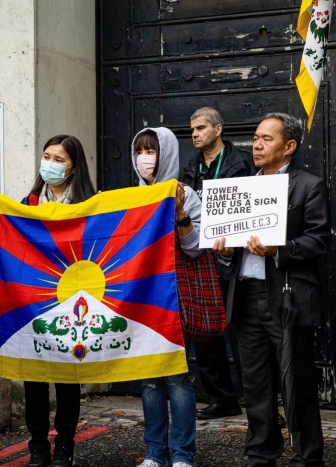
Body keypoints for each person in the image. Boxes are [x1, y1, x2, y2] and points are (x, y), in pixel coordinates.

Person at [215, 113, 330, 466]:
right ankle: (260, 452)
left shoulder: (307, 185)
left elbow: (319, 240)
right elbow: (229, 245)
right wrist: (225, 250)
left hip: (286, 297)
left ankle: (307, 457)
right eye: (255, 137)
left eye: (266, 138)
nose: (257, 145)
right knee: (255, 383)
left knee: (297, 382)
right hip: (245, 296)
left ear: (289, 146)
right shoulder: (241, 187)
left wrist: (278, 250)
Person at [0, 134, 96, 467]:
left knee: (67, 382)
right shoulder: (26, 204)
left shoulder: (91, 203)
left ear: (74, 167)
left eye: (59, 159)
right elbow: (9, 246)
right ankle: (38, 448)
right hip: (33, 305)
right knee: (34, 380)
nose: (51, 164)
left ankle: (65, 448)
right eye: (47, 156)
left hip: (74, 307)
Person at [131, 126, 200, 467]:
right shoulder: (129, 197)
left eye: (153, 150)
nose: (146, 158)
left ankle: (184, 455)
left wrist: (180, 214)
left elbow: (195, 248)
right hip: (141, 299)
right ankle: (155, 453)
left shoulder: (186, 194)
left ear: (167, 153)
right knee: (149, 380)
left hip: (174, 298)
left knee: (176, 378)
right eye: (141, 151)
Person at [180, 107, 253, 419]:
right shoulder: (190, 167)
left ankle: (258, 401)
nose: (195, 134)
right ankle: (222, 399)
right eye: (192, 129)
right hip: (201, 258)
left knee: (244, 335)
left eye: (200, 128)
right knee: (206, 332)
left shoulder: (242, 162)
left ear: (218, 129)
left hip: (236, 257)